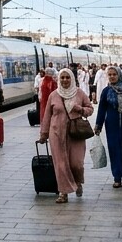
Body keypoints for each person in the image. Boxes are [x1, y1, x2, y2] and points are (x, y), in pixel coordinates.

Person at [38, 68, 93, 203]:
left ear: (72, 79)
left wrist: (79, 109)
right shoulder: (53, 95)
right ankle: (63, 192)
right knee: (61, 165)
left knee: (76, 163)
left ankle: (78, 182)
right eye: (62, 78)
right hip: (56, 133)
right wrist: (43, 134)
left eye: (67, 77)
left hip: (76, 134)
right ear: (58, 79)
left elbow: (90, 109)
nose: (65, 80)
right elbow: (47, 116)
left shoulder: (79, 93)